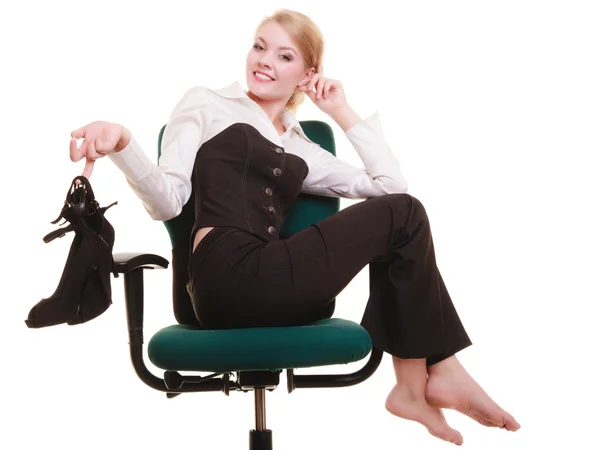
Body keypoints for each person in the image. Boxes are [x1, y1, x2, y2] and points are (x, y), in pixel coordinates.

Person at [68, 8, 520, 446]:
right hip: (225, 278)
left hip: (282, 289)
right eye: (260, 47)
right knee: (406, 215)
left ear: (308, 73)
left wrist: (341, 111)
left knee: (403, 214)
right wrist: (124, 143)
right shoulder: (206, 103)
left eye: (285, 56)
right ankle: (434, 372)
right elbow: (167, 201)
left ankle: (415, 384)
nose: (265, 60)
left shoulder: (301, 146)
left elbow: (389, 187)